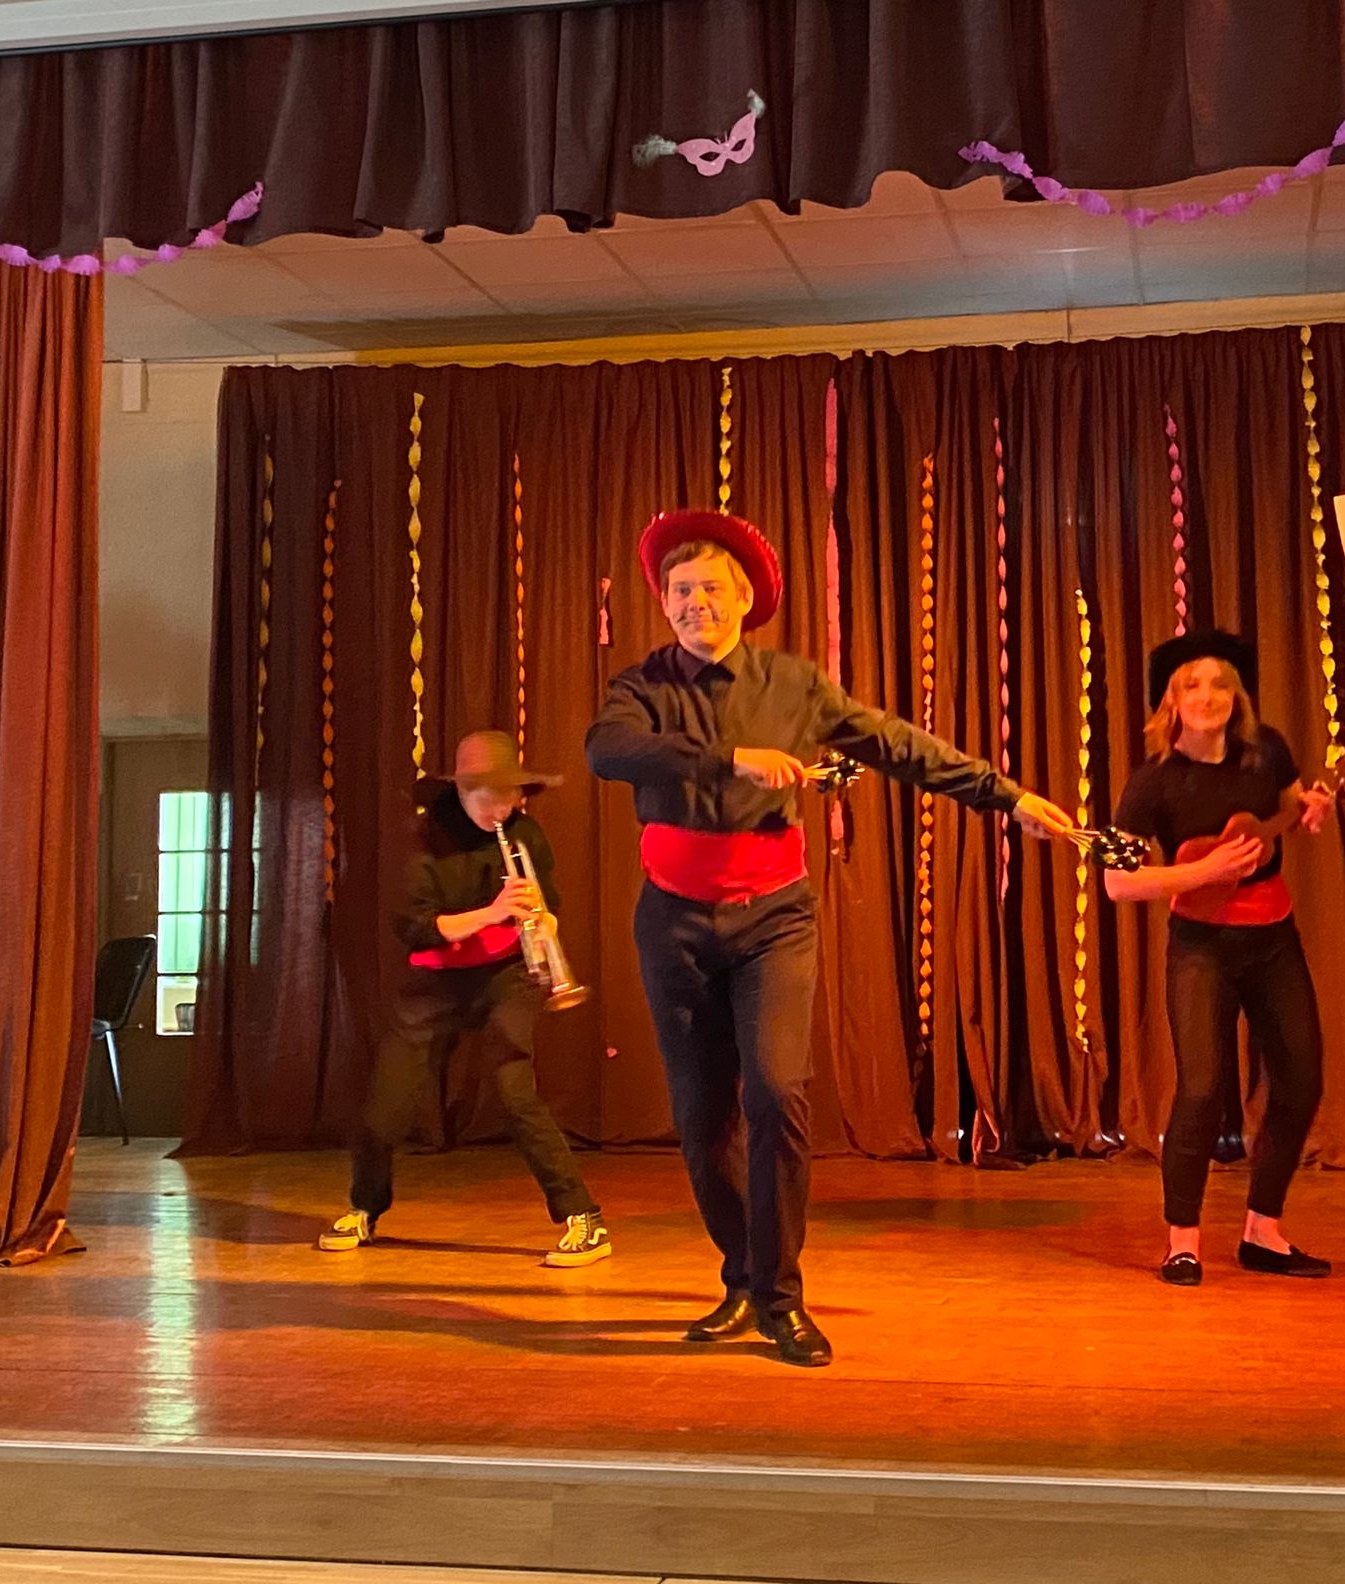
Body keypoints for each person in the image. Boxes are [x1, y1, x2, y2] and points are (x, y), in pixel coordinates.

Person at [585, 509, 1077, 1366]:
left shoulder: (793, 685)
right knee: (701, 1117)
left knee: (777, 1093)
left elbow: (896, 745)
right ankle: (743, 1278)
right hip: (674, 922)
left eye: (710, 587)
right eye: (679, 590)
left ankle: (780, 1298)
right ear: (663, 603)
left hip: (774, 917)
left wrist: (1006, 797)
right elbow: (608, 751)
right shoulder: (641, 688)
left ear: (745, 597)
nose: (695, 602)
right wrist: (729, 758)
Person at [316, 731, 611, 1269]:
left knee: (515, 1089)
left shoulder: (525, 834)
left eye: (511, 797)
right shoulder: (420, 840)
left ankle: (583, 1219)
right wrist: (494, 912)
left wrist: (543, 927)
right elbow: (419, 929)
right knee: (385, 1108)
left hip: (508, 974)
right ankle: (364, 1208)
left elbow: (549, 905)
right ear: (462, 791)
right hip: (435, 980)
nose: (502, 810)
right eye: (490, 798)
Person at [1102, 631, 1337, 1287]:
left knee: (1301, 1080)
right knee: (1202, 1089)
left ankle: (1263, 1232)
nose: (1208, 696)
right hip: (1201, 947)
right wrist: (1201, 873)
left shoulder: (1268, 752)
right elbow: (1117, 883)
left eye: (1221, 684)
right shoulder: (1151, 784)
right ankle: (1182, 1243)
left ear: (1238, 696)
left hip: (1273, 939)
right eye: (1193, 685)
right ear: (1171, 702)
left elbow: (1291, 804)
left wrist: (1312, 810)